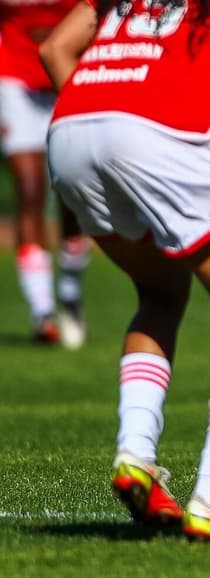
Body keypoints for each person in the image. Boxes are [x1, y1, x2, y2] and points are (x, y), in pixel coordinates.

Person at [40, 0, 210, 544]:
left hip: (72, 128)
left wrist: (103, 124)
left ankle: (136, 458)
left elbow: (54, 48)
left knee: (159, 293)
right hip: (157, 128)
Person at [0, 0, 90, 347]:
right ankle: (43, 314)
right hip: (16, 81)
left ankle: (70, 292)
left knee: (73, 191)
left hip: (67, 77)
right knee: (30, 189)